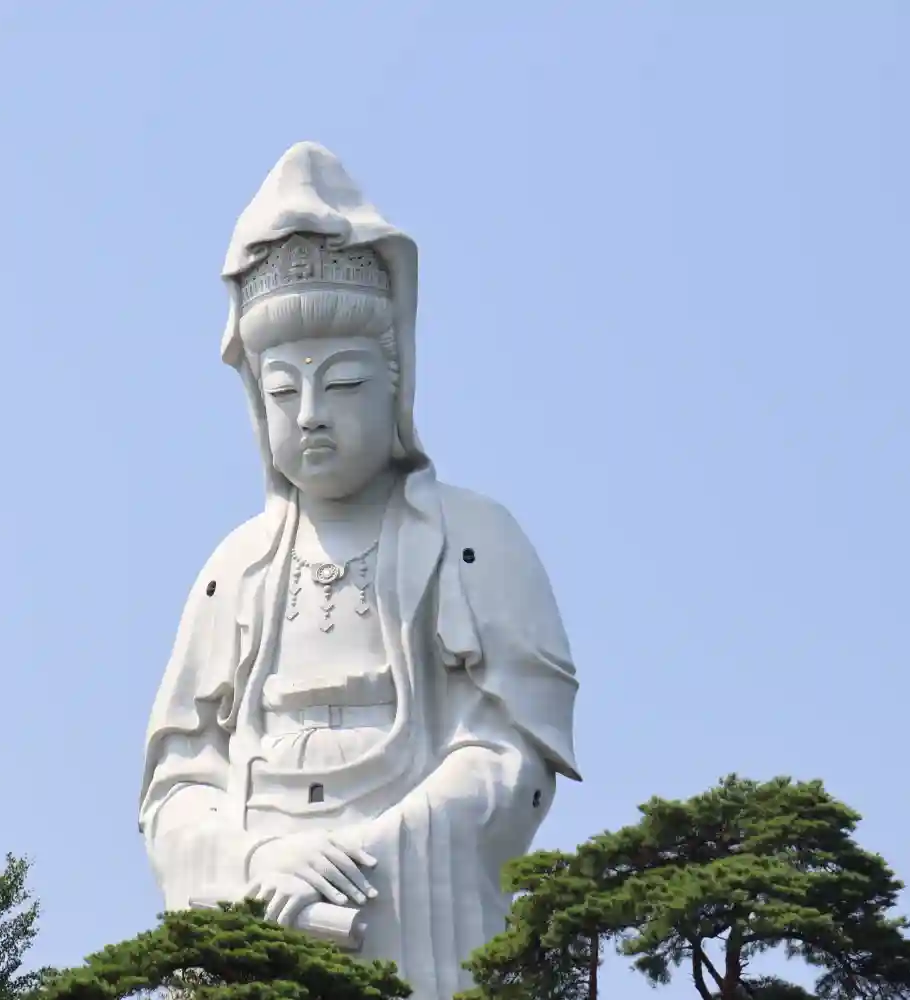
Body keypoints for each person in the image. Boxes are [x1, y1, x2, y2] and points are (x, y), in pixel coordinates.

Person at [139, 141, 580, 1000]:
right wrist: (258, 862)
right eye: (282, 392)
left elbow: (512, 756)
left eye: (340, 385)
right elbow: (177, 784)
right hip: (260, 896)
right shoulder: (234, 569)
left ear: (394, 383)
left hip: (411, 900)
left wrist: (368, 854)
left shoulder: (472, 537)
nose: (310, 416)